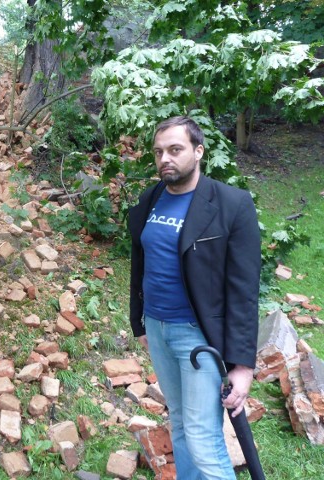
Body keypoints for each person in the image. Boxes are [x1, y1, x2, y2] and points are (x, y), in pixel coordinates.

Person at [128, 116, 261, 479]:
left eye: (175, 149)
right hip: (158, 328)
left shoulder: (232, 204)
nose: (164, 159)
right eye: (158, 152)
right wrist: (138, 319)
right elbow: (140, 262)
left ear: (198, 151)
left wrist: (243, 365)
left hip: (199, 337)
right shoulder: (149, 200)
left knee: (203, 437)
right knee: (182, 425)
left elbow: (244, 290)